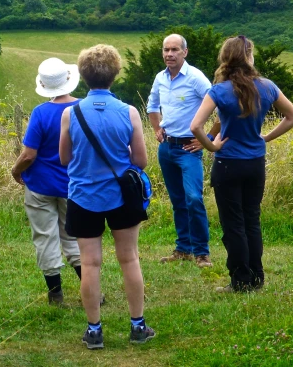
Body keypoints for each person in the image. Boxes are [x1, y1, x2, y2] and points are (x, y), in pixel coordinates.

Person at [59, 44, 155, 349]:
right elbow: (140, 161)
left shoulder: (69, 113)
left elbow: (64, 159)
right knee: (129, 259)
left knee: (90, 264)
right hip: (121, 196)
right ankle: (138, 326)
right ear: (115, 74)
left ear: (83, 77)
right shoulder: (128, 112)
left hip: (83, 195)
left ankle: (94, 330)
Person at [190, 36, 293, 292]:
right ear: (249, 57)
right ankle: (257, 277)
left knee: (234, 224)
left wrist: (212, 145)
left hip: (228, 164)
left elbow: (195, 126)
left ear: (226, 58)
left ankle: (240, 280)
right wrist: (266, 138)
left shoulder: (219, 90)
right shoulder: (267, 86)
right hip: (255, 163)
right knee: (252, 220)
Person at [11, 58, 82, 304]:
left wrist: (16, 170)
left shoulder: (41, 113)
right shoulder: (81, 109)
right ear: (68, 80)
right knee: (73, 236)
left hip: (40, 184)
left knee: (45, 236)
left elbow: (30, 154)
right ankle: (90, 289)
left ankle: (55, 293)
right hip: (73, 184)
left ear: (43, 84)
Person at [146, 34, 213, 268]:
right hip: (167, 148)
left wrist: (208, 139)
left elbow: (221, 104)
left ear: (185, 52)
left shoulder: (195, 78)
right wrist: (156, 128)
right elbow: (152, 105)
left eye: (175, 49)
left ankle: (202, 252)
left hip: (188, 148)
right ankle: (183, 248)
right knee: (177, 200)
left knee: (194, 198)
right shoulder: (160, 78)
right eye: (166, 50)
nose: (169, 54)